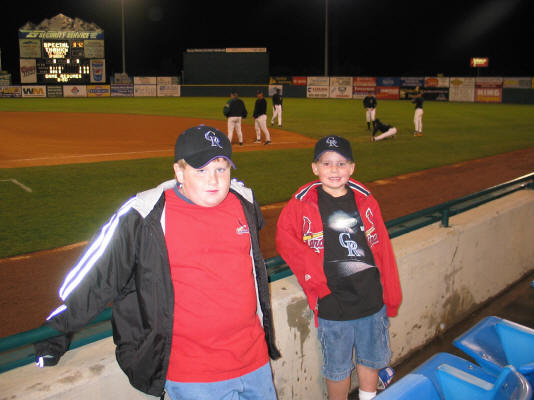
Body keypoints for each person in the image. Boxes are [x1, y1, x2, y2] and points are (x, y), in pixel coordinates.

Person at [34, 125, 281, 400]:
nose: (214, 180)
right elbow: (99, 275)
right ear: (179, 172)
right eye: (200, 170)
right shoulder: (146, 215)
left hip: (255, 363)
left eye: (221, 169)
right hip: (193, 376)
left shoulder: (243, 202)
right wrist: (56, 331)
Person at [276, 135, 402, 400]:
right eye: (327, 163)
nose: (334, 170)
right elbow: (285, 241)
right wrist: (318, 284)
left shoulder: (366, 200)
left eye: (341, 163)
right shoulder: (302, 203)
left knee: (371, 359)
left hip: (370, 298)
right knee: (337, 369)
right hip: (332, 302)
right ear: (315, 168)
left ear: (352, 168)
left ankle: (369, 397)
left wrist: (391, 297)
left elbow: (383, 250)